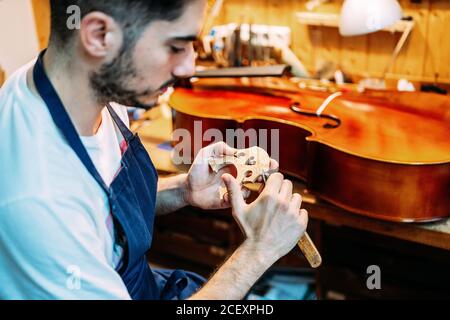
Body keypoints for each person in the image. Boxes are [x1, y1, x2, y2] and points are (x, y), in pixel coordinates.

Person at [0, 0, 308, 300]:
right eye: (176, 47)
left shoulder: (84, 83)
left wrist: (183, 189)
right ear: (98, 35)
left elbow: (102, 208)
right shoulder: (38, 203)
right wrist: (256, 252)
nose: (189, 67)